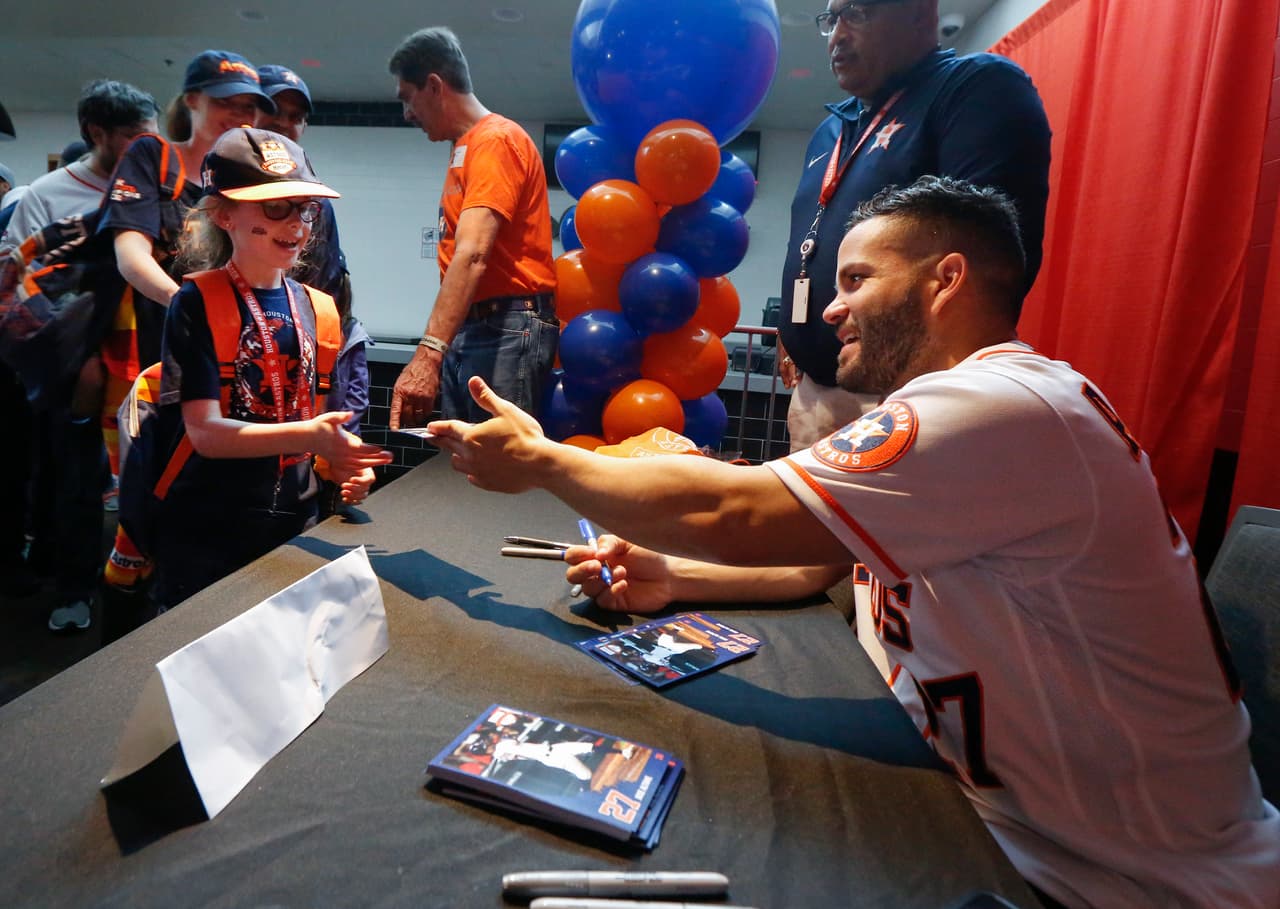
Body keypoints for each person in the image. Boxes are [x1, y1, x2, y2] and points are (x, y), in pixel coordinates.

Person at [429, 177, 1280, 909]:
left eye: (857, 279)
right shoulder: (989, 407)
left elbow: (736, 512)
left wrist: (544, 463)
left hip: (1123, 881)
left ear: (946, 280)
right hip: (1010, 828)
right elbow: (822, 558)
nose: (830, 307)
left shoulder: (995, 406)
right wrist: (676, 577)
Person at [777, 0, 1051, 450]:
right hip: (813, 394)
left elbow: (989, 261)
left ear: (921, 14)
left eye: (856, 14)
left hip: (903, 400)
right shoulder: (831, 128)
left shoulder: (976, 87)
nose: (837, 35)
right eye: (831, 19)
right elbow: (808, 242)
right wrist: (796, 332)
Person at [147, 126, 391, 612]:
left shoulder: (320, 309)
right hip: (208, 531)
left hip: (295, 524)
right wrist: (311, 438)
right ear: (223, 214)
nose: (297, 225)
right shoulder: (197, 303)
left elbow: (315, 422)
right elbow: (206, 434)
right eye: (276, 207)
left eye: (304, 208)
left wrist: (337, 465)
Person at [99, 49, 275, 606]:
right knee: (158, 504)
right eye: (227, 103)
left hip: (236, 367)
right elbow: (130, 254)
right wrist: (197, 308)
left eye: (251, 105)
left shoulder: (252, 174)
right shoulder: (154, 156)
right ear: (192, 100)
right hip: (162, 369)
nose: (241, 114)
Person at [386, 26, 557, 428]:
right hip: (481, 324)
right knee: (463, 464)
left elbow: (473, 253)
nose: (407, 114)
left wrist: (428, 352)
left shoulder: (495, 140)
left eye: (408, 99)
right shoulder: (466, 147)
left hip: (506, 324)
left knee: (494, 471)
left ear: (433, 86)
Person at [1, 80, 158, 245]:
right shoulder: (44, 195)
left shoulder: (160, 189)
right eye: (136, 136)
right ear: (96, 133)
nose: (150, 146)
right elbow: (13, 265)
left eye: (156, 137)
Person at [254, 64, 346, 299]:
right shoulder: (216, 185)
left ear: (304, 127)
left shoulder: (316, 206)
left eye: (295, 117)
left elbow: (324, 289)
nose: (284, 123)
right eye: (274, 110)